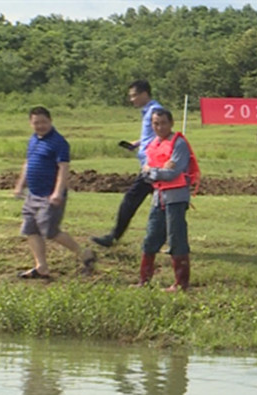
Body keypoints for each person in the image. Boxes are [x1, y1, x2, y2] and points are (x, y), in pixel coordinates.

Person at [13, 106, 96, 279]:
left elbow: (63, 168)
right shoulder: (33, 140)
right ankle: (41, 267)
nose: (40, 126)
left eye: (43, 122)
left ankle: (85, 254)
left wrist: (58, 192)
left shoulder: (59, 142)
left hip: (49, 195)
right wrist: (20, 185)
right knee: (30, 229)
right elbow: (28, 163)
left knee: (50, 231)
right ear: (31, 123)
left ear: (50, 121)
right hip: (33, 194)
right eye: (36, 123)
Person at [91, 80, 163, 247]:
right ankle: (173, 241)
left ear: (144, 94)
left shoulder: (155, 111)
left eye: (134, 95)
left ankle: (114, 237)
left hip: (152, 166)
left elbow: (163, 133)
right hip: (151, 164)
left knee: (131, 199)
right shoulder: (148, 111)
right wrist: (137, 144)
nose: (131, 99)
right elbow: (152, 135)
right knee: (163, 205)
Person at [136, 109, 199, 292]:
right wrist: (157, 171)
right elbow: (145, 172)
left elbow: (172, 172)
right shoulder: (154, 144)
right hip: (159, 197)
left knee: (176, 239)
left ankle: (181, 284)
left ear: (171, 123)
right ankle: (143, 280)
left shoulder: (178, 144)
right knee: (150, 238)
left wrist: (152, 171)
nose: (159, 127)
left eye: (163, 123)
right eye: (156, 124)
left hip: (176, 199)